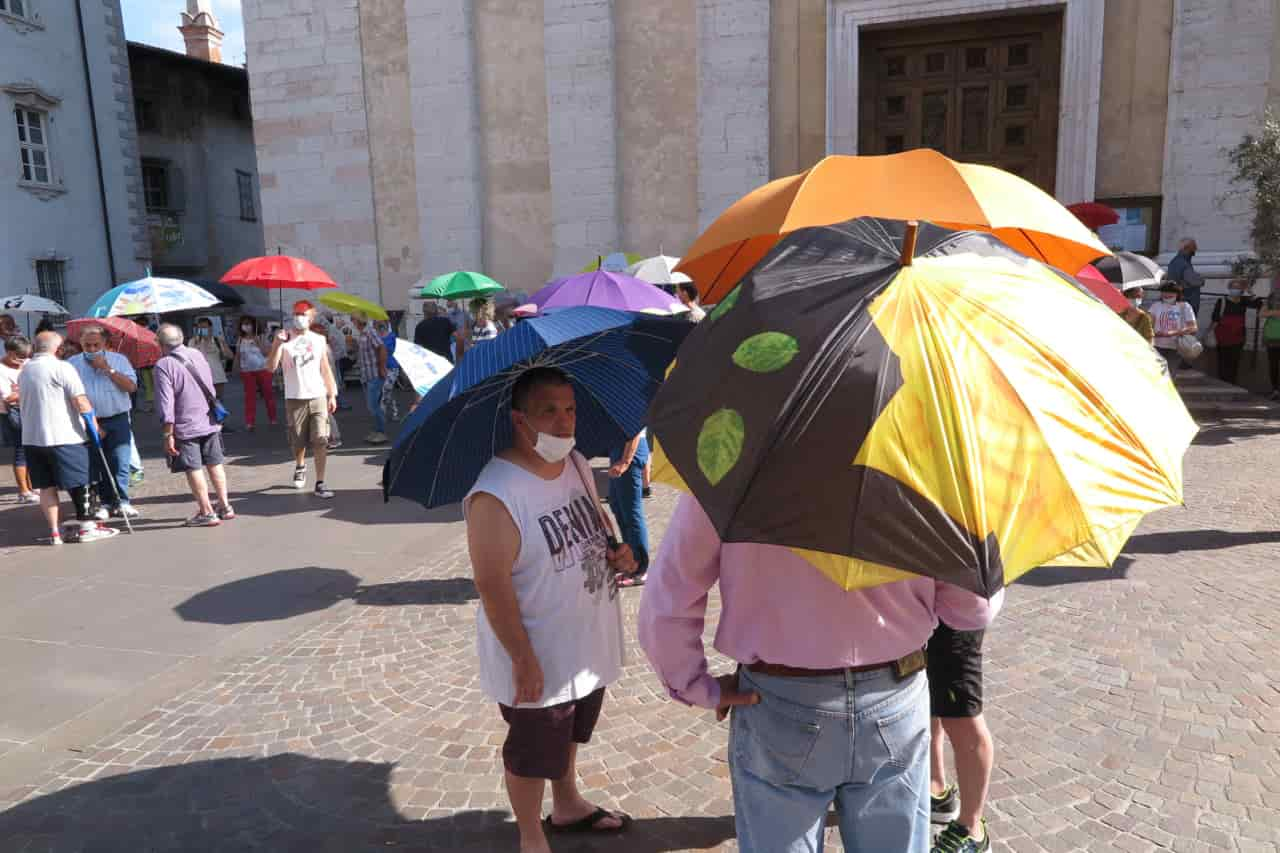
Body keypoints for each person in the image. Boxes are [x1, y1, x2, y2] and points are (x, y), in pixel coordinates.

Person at [638, 497, 1003, 853]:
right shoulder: (927, 463)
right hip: (892, 695)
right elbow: (973, 607)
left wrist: (695, 685)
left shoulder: (737, 453)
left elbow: (667, 597)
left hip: (780, 696)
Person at [464, 367, 637, 853]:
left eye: (570, 409)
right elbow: (491, 584)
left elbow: (597, 531)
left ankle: (567, 804)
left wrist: (619, 553)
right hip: (539, 649)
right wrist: (523, 658)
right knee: (532, 751)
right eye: (549, 411)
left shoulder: (578, 463)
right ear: (521, 420)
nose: (565, 423)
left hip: (585, 641)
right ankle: (531, 836)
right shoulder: (497, 493)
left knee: (570, 733)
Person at [18, 331, 115, 544]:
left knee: (47, 486)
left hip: (33, 438)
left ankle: (55, 531)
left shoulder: (25, 370)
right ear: (58, 348)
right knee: (83, 480)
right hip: (64, 435)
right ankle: (87, 527)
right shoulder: (63, 368)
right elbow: (80, 401)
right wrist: (95, 427)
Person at [154, 324, 231, 526]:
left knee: (193, 467)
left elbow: (166, 403)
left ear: (161, 344)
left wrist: (167, 433)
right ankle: (225, 506)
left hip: (185, 425)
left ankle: (206, 511)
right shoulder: (196, 353)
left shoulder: (164, 364)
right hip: (209, 419)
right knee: (215, 463)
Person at [928, 624, 994, 852]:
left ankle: (972, 829)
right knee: (929, 697)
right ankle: (936, 790)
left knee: (962, 718)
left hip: (956, 609)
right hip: (922, 608)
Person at [69, 324, 141, 520]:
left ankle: (123, 501)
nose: (91, 349)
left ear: (105, 344)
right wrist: (90, 422)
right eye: (87, 345)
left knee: (120, 461)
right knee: (97, 463)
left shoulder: (119, 360)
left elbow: (131, 387)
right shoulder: (72, 364)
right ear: (81, 344)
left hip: (117, 418)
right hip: (88, 420)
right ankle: (106, 502)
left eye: (95, 345)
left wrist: (107, 369)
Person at [267, 301, 338, 498]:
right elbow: (271, 367)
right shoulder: (284, 338)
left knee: (321, 439)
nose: (300, 317)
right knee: (298, 440)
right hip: (294, 396)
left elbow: (324, 367)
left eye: (304, 314)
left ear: (311, 316)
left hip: (317, 395)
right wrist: (276, 345)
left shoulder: (319, 339)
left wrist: (331, 393)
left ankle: (321, 482)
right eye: (297, 313)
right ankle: (300, 465)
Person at [608, 429, 650, 588]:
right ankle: (630, 562)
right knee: (617, 506)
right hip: (618, 449)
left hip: (629, 452)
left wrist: (625, 461)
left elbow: (635, 429)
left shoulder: (626, 406)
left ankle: (640, 569)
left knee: (631, 513)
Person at [1, 336, 37, 504]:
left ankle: (33, 486)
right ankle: (24, 491)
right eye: (19, 357)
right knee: (22, 450)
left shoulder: (28, 363)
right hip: (14, 412)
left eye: (26, 356)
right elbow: (8, 397)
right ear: (9, 353)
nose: (23, 360)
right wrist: (28, 389)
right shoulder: (1, 369)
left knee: (33, 449)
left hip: (31, 409)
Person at [1209, 280, 1262, 385]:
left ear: (1242, 290)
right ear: (1229, 288)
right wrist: (1209, 333)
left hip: (1238, 337)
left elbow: (1259, 304)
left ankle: (1232, 384)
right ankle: (1223, 384)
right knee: (1223, 362)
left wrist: (1250, 291)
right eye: (1233, 287)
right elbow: (1215, 318)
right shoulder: (1222, 301)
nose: (1235, 290)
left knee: (1235, 362)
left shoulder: (1244, 301)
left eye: (1238, 288)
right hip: (1223, 337)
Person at [351, 311, 388, 444]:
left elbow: (382, 348)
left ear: (357, 320)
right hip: (368, 374)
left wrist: (382, 367)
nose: (352, 322)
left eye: (352, 319)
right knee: (372, 405)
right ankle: (377, 430)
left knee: (373, 405)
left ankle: (381, 432)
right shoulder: (363, 334)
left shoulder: (369, 332)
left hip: (374, 374)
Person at [235, 316, 277, 431]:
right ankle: (250, 422)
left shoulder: (261, 337)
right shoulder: (240, 339)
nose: (246, 326)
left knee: (268, 394)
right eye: (244, 324)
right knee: (250, 397)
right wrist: (237, 368)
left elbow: (267, 353)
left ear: (254, 325)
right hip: (247, 371)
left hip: (263, 369)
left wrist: (259, 343)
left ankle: (272, 417)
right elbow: (238, 356)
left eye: (248, 324)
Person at [1150, 282, 1197, 370]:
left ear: (1177, 294)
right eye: (1164, 292)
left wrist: (1173, 333)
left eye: (1170, 292)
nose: (1167, 295)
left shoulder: (1185, 306)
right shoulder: (1155, 306)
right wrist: (1154, 333)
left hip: (1176, 347)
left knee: (1171, 374)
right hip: (1157, 346)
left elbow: (1193, 328)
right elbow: (1150, 324)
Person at [191, 316, 234, 406]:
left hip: (217, 376)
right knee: (204, 403)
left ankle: (220, 419)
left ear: (211, 328)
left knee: (218, 402)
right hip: (200, 377)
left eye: (205, 327)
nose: (202, 330)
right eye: (200, 328)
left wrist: (223, 344)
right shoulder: (193, 342)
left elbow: (230, 356)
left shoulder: (217, 340)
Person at [320, 313, 352, 410]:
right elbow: (335, 344)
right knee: (337, 382)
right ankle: (339, 403)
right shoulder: (332, 330)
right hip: (334, 359)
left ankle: (337, 403)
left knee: (337, 381)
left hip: (335, 359)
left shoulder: (332, 330)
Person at [1166, 238, 1203, 316]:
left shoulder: (1175, 261)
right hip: (1185, 304)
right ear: (1186, 248)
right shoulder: (1182, 263)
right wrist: (1201, 279)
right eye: (1194, 247)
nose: (1195, 250)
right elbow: (1195, 281)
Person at [377, 320, 402, 423]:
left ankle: (381, 413)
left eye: (382, 324)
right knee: (388, 390)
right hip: (381, 367)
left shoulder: (392, 337)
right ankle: (395, 412)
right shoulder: (377, 337)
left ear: (387, 325)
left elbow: (398, 351)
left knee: (386, 389)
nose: (381, 326)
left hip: (392, 367)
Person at [1260, 287, 1280, 400]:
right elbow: (1262, 314)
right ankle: (1275, 390)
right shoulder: (1272, 297)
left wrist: (1271, 312)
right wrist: (1274, 312)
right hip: (1271, 339)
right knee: (1273, 365)